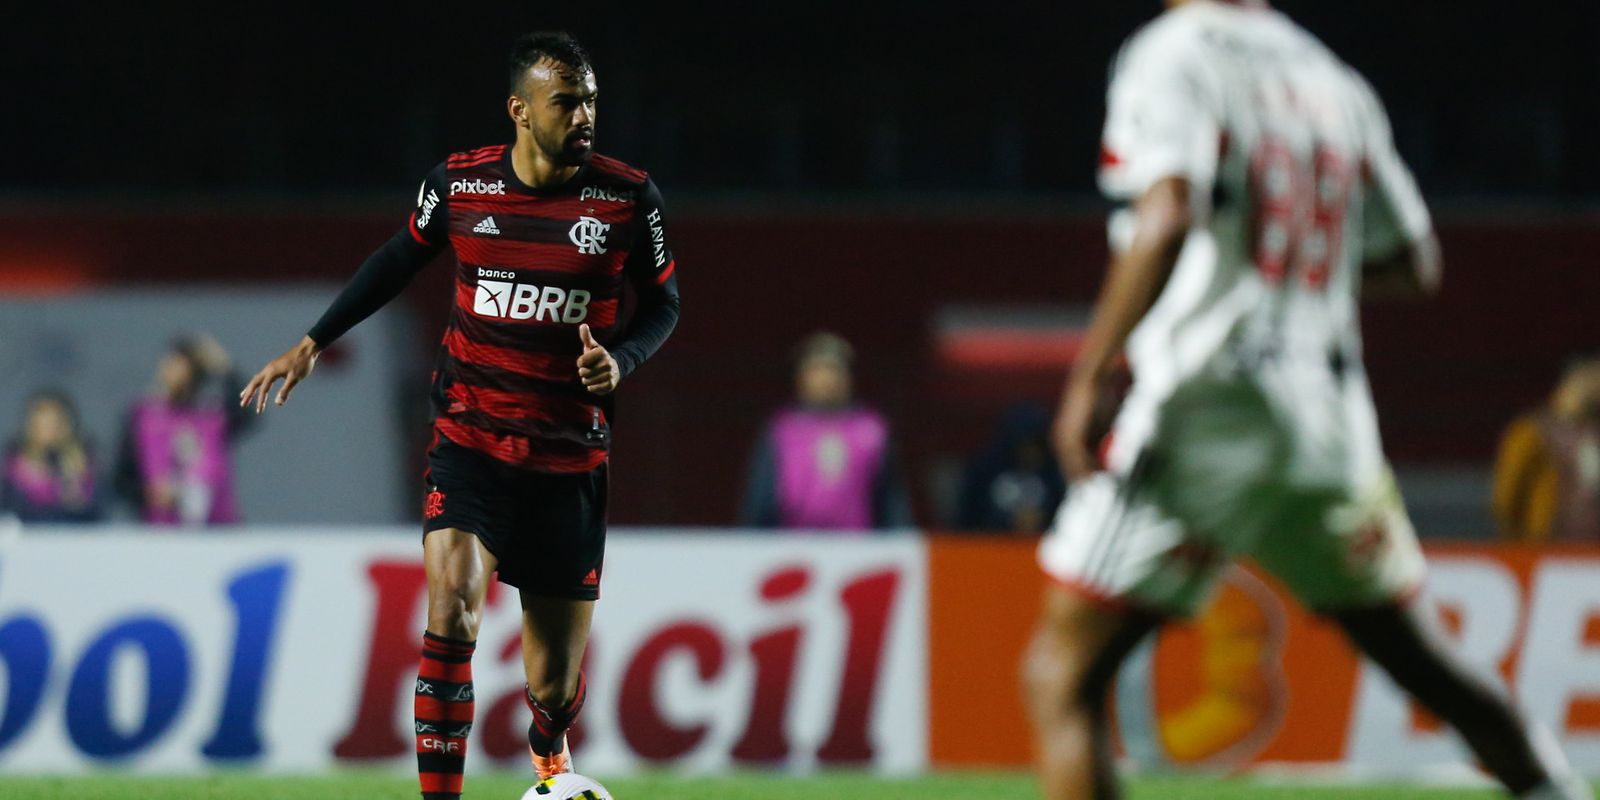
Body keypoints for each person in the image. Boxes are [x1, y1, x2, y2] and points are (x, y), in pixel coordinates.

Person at [1024, 2, 1591, 799]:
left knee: (1065, 674)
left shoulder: (1171, 54)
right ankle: (1553, 789)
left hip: (1207, 408)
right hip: (1328, 421)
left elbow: (1168, 212)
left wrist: (1089, 374)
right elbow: (1413, 259)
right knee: (1418, 657)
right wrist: (1292, 268)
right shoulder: (1331, 77)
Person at [238, 32, 680, 799]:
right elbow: (395, 259)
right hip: (469, 442)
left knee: (551, 684)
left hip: (569, 459)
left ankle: (550, 746)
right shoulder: (461, 187)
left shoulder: (627, 198)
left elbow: (664, 303)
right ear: (520, 110)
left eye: (591, 102)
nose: (584, 117)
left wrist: (623, 360)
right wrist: (314, 342)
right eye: (566, 102)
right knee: (452, 611)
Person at [740, 332, 912, 531]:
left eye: (833, 370)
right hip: (793, 546)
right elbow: (759, 499)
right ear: (801, 378)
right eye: (817, 371)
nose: (826, 380)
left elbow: (892, 500)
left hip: (859, 548)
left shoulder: (872, 429)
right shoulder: (782, 429)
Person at [115, 334, 253, 525]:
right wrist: (147, 494)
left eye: (183, 368)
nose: (174, 375)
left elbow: (248, 415)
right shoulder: (143, 416)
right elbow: (122, 477)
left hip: (217, 527)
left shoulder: (214, 414)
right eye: (169, 366)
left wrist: (227, 370)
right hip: (160, 531)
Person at [1493, 356, 1600, 543]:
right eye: (1591, 379)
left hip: (1590, 548)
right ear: (1572, 382)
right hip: (1546, 543)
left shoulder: (1593, 432)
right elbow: (1507, 497)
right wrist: (1523, 541)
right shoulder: (1531, 432)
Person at [955, 403, 1065, 533]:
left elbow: (1066, 515)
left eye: (1036, 444)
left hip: (1043, 545)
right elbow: (966, 520)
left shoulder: (1055, 473)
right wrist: (1006, 521)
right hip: (991, 546)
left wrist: (1044, 519)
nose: (1030, 452)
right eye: (1024, 445)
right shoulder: (985, 470)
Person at [1, 389, 104, 523]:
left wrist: (78, 492)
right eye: (43, 423)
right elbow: (10, 514)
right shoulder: (13, 467)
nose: (50, 430)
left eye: (56, 422)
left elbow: (97, 512)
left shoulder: (85, 463)